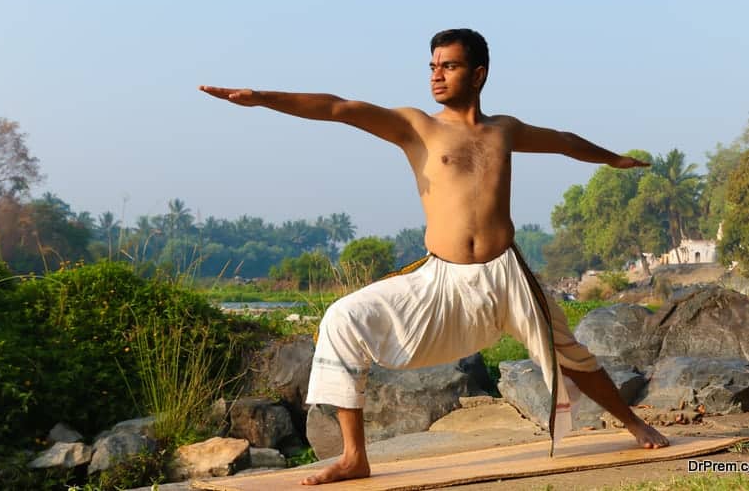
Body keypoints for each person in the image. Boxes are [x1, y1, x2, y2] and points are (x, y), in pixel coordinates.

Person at [199, 28, 669, 486]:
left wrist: (612, 159)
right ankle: (354, 457)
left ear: (479, 74)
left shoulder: (504, 130)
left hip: (508, 273)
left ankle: (634, 424)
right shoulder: (416, 126)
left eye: (449, 66)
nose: (436, 75)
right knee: (343, 318)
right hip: (442, 279)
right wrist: (262, 97)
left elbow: (565, 142)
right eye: (432, 66)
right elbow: (339, 108)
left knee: (569, 354)